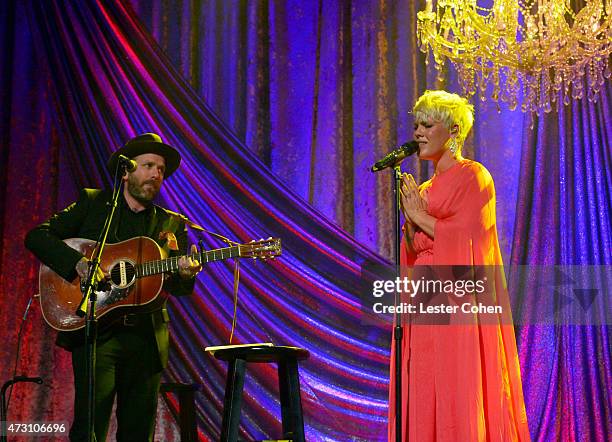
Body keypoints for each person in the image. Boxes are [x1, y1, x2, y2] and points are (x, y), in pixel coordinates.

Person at [25, 133, 202, 441]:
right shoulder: (94, 204)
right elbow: (38, 236)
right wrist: (78, 264)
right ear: (126, 171)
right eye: (148, 166)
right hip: (97, 335)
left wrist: (186, 273)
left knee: (138, 431)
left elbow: (181, 288)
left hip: (146, 337)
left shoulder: (171, 223)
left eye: (161, 170)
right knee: (89, 428)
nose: (156, 175)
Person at [388, 91, 531, 441]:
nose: (418, 132)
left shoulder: (475, 177)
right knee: (423, 383)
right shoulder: (422, 188)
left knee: (455, 385)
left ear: (452, 131)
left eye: (427, 124)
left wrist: (419, 216)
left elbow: (469, 239)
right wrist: (410, 222)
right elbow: (415, 251)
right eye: (416, 124)